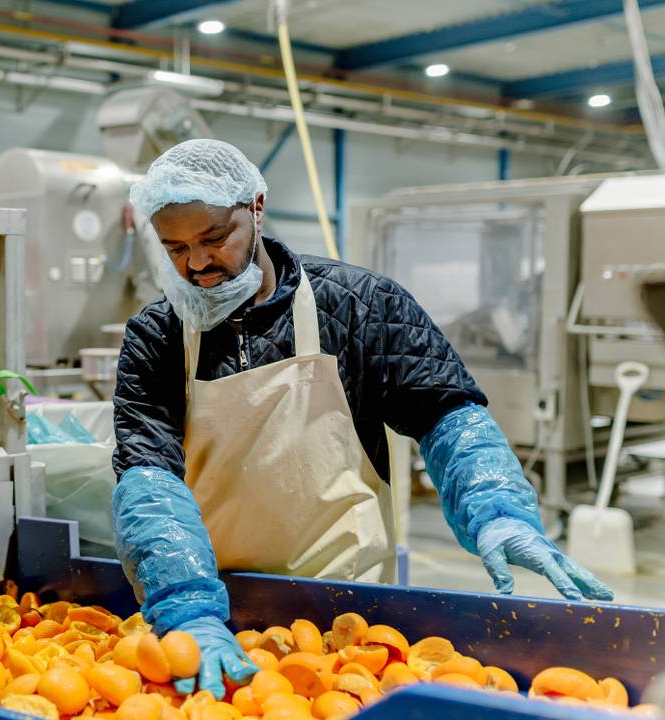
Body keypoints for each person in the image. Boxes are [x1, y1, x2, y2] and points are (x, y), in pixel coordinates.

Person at [111, 138, 612, 700]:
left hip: (350, 613)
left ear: (255, 207)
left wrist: (496, 509)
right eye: (174, 247)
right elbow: (148, 478)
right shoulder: (156, 338)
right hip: (219, 610)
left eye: (213, 239)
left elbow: (445, 413)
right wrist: (186, 606)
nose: (197, 264)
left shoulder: (358, 304)